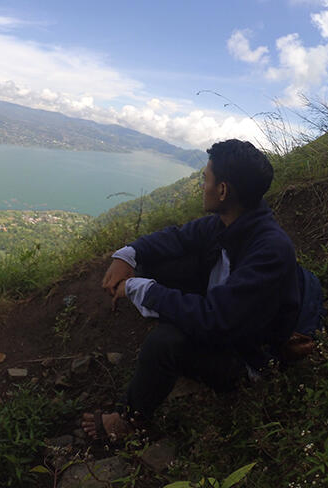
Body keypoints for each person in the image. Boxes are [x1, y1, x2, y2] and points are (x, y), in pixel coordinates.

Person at [82, 139, 301, 441]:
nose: (202, 186)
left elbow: (216, 320)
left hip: (244, 357)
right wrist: (127, 255)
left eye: (206, 180)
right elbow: (177, 238)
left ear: (223, 191)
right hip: (222, 315)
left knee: (164, 342)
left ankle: (130, 420)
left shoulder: (269, 249)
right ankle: (166, 320)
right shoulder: (230, 222)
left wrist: (142, 290)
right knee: (151, 265)